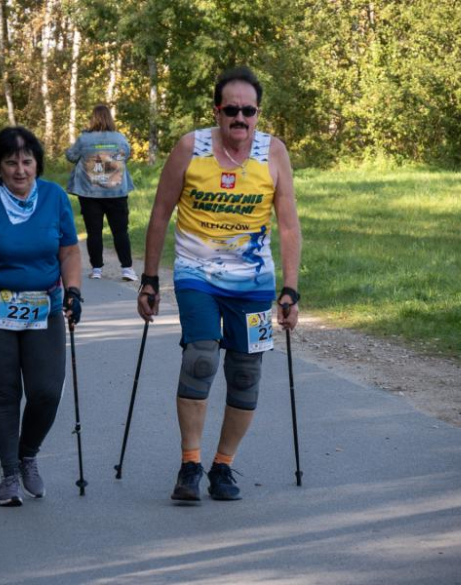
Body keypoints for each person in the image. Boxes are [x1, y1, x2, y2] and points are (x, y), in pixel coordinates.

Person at [137, 66, 302, 503]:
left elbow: (288, 226)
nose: (241, 119)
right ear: (217, 110)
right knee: (202, 358)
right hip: (197, 275)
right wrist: (150, 279)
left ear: (257, 113)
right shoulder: (192, 147)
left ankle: (222, 467)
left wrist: (290, 289)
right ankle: (190, 464)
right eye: (232, 110)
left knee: (246, 374)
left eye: (249, 111)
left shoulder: (273, 153)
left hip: (253, 283)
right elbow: (159, 214)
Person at [0, 126, 82, 507]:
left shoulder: (55, 198)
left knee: (46, 391)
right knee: (5, 393)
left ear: (37, 163)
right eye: (11, 162)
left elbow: (70, 253)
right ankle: (8, 474)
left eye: (27, 161)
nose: (20, 170)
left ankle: (28, 454)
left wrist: (73, 290)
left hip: (45, 307)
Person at [65, 104, 137, 281]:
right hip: (117, 192)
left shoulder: (84, 139)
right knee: (120, 231)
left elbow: (71, 156)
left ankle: (97, 269)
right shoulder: (120, 138)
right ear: (110, 118)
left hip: (90, 193)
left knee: (94, 232)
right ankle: (127, 268)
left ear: (93, 119)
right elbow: (126, 155)